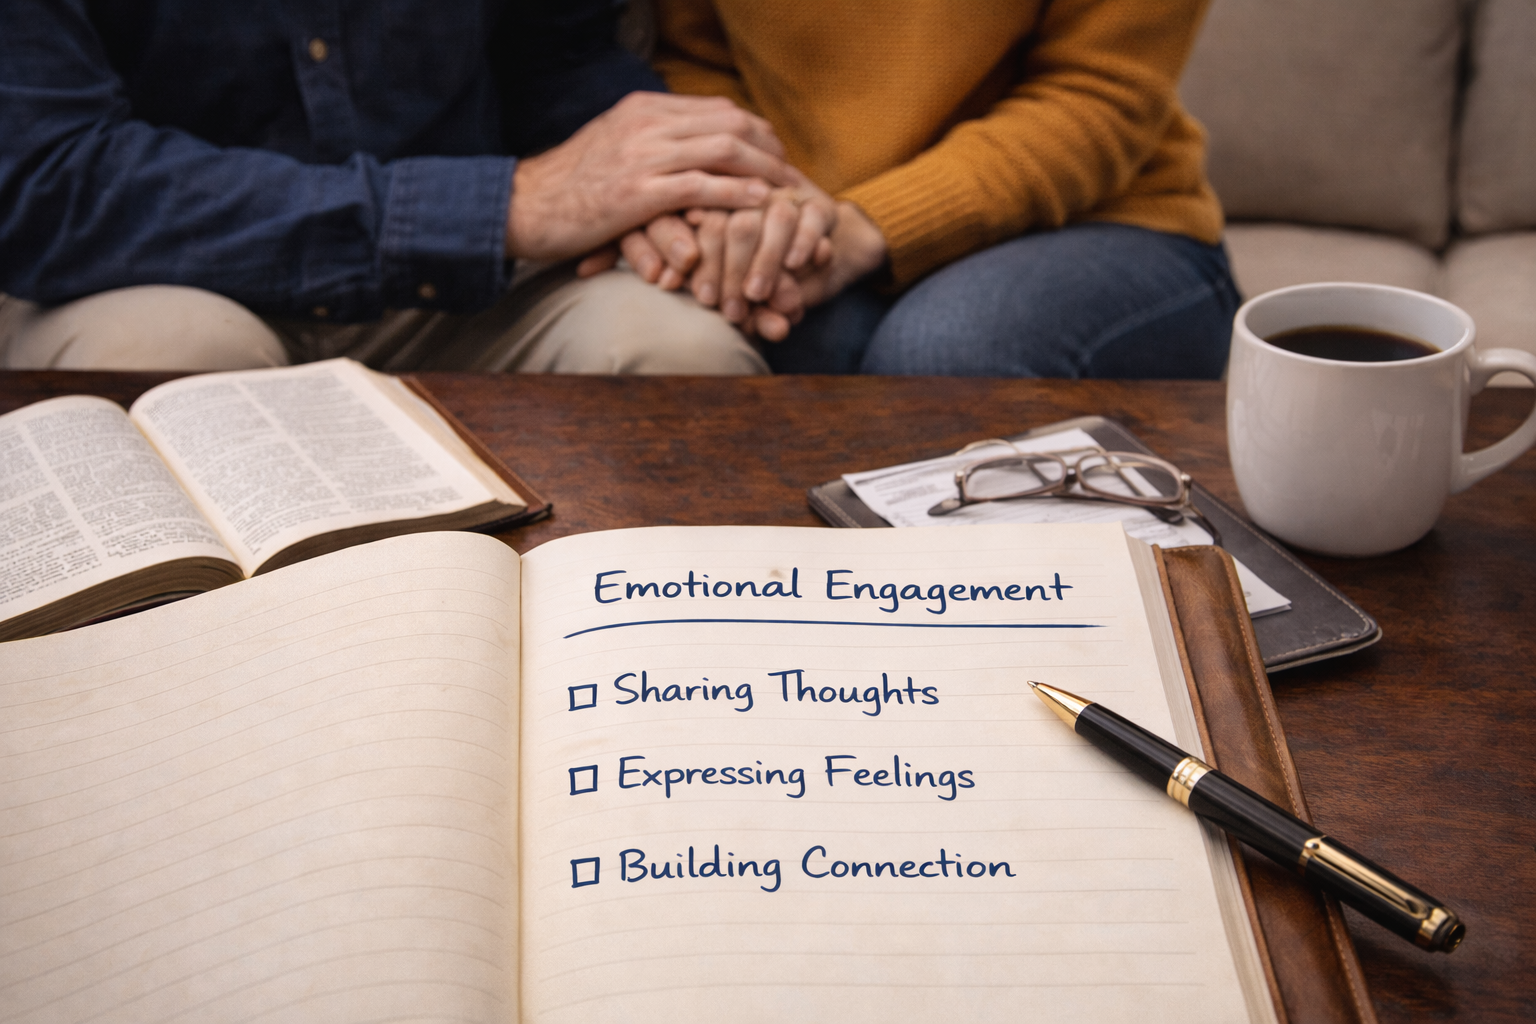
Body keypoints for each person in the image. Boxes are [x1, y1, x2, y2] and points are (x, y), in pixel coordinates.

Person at [0, 0, 828, 373]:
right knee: (170, 362)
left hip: (468, 293)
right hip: (148, 277)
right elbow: (47, 185)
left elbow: (556, 64)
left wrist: (681, 192)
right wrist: (512, 206)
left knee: (679, 354)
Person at [617, 0, 1242, 378]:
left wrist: (869, 225)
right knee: (800, 339)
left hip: (1102, 220)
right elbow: (697, 55)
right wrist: (758, 202)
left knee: (944, 350)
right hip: (815, 225)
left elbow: (1101, 97)